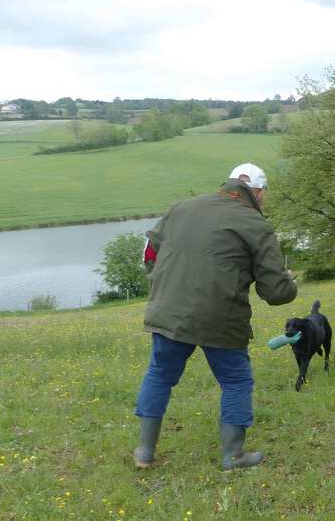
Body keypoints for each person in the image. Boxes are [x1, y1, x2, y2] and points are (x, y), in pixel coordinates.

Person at [133, 163, 298, 470]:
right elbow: (275, 293)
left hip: (168, 311)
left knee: (159, 374)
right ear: (257, 193)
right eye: (264, 195)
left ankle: (144, 452)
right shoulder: (255, 224)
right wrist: (291, 284)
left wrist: (160, 284)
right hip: (220, 316)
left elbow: (149, 252)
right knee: (236, 381)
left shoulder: (181, 208)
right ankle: (233, 456)